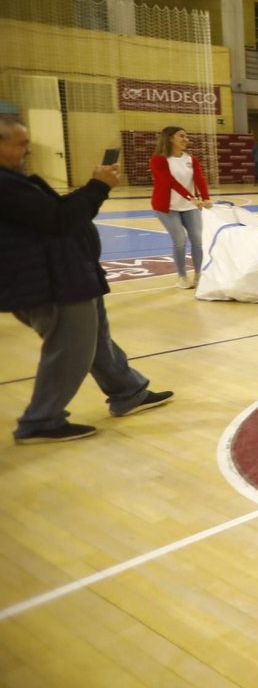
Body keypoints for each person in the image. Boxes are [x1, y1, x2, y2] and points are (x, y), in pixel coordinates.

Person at [1, 116, 174, 443]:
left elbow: (56, 214)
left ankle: (129, 391)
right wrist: (97, 187)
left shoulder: (15, 181)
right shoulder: (5, 184)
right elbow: (59, 219)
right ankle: (41, 420)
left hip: (69, 276)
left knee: (95, 341)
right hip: (50, 284)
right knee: (70, 351)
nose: (27, 149)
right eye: (20, 143)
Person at [149, 126, 212, 289]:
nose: (186, 139)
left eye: (186, 136)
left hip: (189, 207)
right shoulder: (158, 160)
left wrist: (205, 198)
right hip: (167, 207)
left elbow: (199, 179)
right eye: (181, 136)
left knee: (198, 240)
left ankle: (199, 274)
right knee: (180, 241)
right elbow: (170, 182)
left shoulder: (191, 159)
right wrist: (192, 198)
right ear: (170, 138)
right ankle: (182, 276)